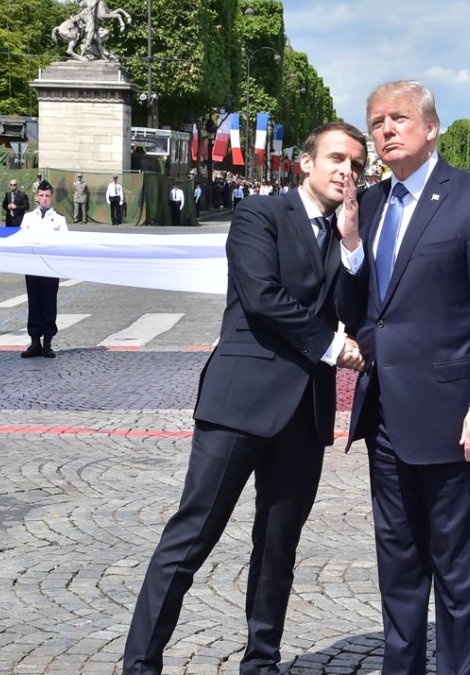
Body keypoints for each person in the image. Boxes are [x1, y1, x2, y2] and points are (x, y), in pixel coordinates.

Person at [123, 122, 368, 675]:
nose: (345, 172)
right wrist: (332, 344)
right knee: (189, 540)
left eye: (355, 163)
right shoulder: (260, 216)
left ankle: (261, 662)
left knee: (278, 549)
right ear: (306, 162)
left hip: (305, 414)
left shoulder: (349, 232)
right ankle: (140, 665)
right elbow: (261, 297)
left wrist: (353, 244)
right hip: (240, 403)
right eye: (335, 158)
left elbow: (358, 305)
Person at [337, 79, 470, 675]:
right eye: (376, 122)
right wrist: (347, 251)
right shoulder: (366, 206)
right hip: (386, 413)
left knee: (461, 568)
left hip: (456, 417)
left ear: (432, 126)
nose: (385, 130)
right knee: (398, 563)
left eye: (398, 118)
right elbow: (364, 307)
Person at [18, 180, 68, 358]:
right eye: (41, 196)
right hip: (32, 266)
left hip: (50, 267)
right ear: (37, 197)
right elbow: (22, 240)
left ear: (52, 197)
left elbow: (64, 244)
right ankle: (34, 342)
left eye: (47, 196)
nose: (44, 199)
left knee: (48, 303)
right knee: (34, 302)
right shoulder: (28, 218)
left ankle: (47, 342)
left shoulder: (59, 219)